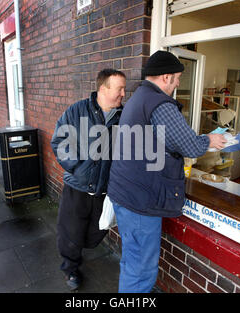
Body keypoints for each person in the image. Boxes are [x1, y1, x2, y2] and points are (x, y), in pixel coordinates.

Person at [107, 50, 227, 293]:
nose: (178, 83)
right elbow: (190, 145)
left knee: (132, 262)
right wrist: (210, 140)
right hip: (141, 201)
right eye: (177, 78)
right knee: (141, 270)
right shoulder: (160, 104)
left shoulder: (139, 97)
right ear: (165, 77)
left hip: (126, 193)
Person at [50, 69, 126, 290]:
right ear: (103, 89)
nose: (123, 93)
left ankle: (77, 251)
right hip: (78, 187)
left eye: (124, 88)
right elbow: (60, 141)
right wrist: (77, 167)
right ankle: (70, 268)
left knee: (96, 231)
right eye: (119, 88)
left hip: (105, 190)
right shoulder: (77, 111)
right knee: (70, 232)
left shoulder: (124, 117)